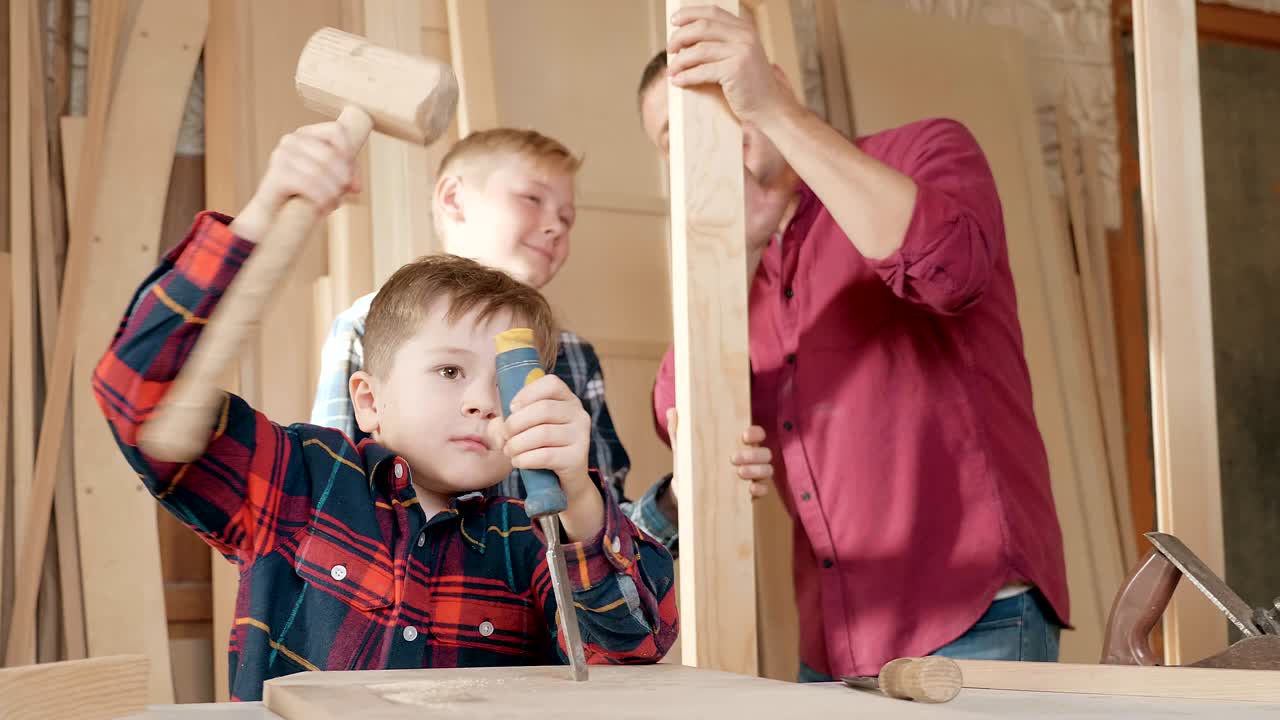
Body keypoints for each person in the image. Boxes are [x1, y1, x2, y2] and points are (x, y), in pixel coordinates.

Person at [93, 121, 678, 701]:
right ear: (369, 402)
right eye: (449, 372)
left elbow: (632, 647)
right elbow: (135, 393)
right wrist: (260, 215)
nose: (482, 401)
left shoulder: (529, 538)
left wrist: (579, 495)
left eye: (506, 385)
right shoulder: (298, 480)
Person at [633, 7, 1070, 682]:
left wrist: (773, 113)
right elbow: (676, 412)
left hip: (974, 618)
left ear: (768, 82)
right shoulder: (732, 279)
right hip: (834, 643)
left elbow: (949, 266)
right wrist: (737, 249)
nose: (708, 145)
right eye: (675, 140)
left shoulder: (921, 152)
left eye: (724, 109)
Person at [310, 128, 774, 542]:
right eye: (532, 199)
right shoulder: (365, 327)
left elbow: (607, 536)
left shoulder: (572, 358)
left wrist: (680, 495)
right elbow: (331, 497)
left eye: (567, 218)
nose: (554, 225)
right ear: (453, 199)